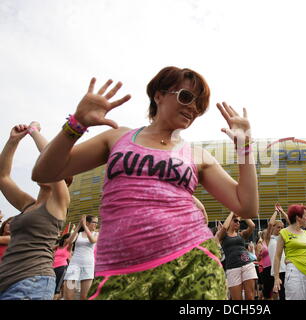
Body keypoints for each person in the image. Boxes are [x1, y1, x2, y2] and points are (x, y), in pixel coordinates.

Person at [32, 67, 258, 299]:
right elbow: (44, 172)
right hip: (118, 272)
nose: (193, 107)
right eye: (186, 97)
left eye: (199, 104)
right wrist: (76, 124)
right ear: (159, 94)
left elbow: (246, 206)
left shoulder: (197, 155)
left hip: (193, 263)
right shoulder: (118, 137)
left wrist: (245, 148)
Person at [0, 122, 71, 300]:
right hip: (8, 279)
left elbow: (53, 159)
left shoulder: (58, 203)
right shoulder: (28, 204)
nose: (42, 167)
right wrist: (12, 141)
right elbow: (3, 177)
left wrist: (33, 132)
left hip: (32, 282)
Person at [216, 212, 257, 300]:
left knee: (250, 297)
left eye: (239, 222)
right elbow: (224, 227)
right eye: (235, 221)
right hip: (232, 268)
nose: (238, 223)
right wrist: (232, 212)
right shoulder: (223, 236)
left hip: (247, 265)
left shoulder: (241, 234)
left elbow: (252, 226)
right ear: (229, 221)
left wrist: (240, 212)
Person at [63, 215, 98, 300]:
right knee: (68, 295)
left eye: (97, 223)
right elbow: (70, 241)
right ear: (87, 223)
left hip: (88, 266)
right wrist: (79, 226)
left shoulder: (97, 233)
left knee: (84, 297)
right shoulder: (78, 234)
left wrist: (85, 226)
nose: (96, 224)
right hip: (74, 265)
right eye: (94, 222)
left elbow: (92, 240)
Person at [267, 203, 289, 300]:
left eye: (282, 227)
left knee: (288, 293)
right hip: (277, 270)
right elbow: (270, 224)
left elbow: (290, 222)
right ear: (274, 228)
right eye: (278, 227)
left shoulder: (283, 237)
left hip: (287, 268)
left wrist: (283, 211)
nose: (280, 229)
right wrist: (276, 211)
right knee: (281, 294)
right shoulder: (269, 238)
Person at [52, 233, 72, 300]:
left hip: (62, 268)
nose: (70, 239)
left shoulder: (69, 246)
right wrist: (59, 244)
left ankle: (58, 296)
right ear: (64, 238)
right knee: (55, 285)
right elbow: (50, 248)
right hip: (53, 268)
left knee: (57, 288)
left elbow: (71, 241)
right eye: (68, 237)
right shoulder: (58, 247)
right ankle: (62, 297)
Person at [255, 228, 273, 300]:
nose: (269, 234)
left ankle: (261, 297)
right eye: (266, 233)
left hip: (272, 267)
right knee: (267, 287)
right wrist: (260, 253)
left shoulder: (272, 242)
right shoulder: (260, 244)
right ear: (263, 235)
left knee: (270, 287)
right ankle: (261, 297)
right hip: (264, 268)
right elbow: (258, 258)